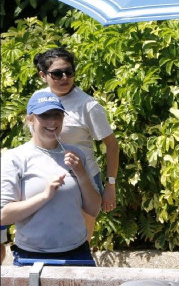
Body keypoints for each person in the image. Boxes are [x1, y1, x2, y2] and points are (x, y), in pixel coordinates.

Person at [0, 91, 102, 265]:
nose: (52, 121)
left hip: (77, 254)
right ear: (30, 119)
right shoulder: (14, 158)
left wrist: (82, 174)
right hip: (31, 258)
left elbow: (93, 209)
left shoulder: (76, 154)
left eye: (57, 115)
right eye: (44, 115)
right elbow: (4, 216)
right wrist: (44, 196)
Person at [33, 47, 119, 241]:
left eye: (69, 72)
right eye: (57, 73)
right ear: (42, 75)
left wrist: (110, 185)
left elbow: (112, 145)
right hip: (48, 179)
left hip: (84, 180)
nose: (65, 77)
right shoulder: (38, 100)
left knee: (81, 242)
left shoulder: (88, 106)